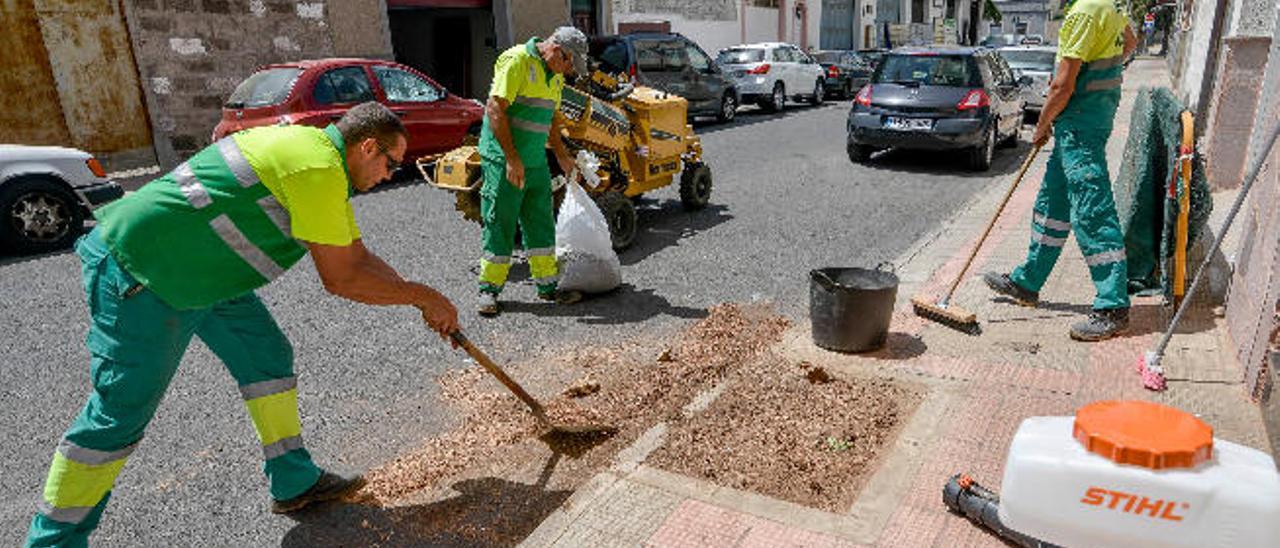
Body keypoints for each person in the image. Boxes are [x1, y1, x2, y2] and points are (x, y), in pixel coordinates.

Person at [26, 102, 459, 546]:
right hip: (144, 270)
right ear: (367, 147)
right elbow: (342, 278)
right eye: (390, 163)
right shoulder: (316, 167)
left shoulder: (316, 154)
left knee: (265, 356)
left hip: (200, 272)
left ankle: (293, 480)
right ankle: (51, 541)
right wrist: (425, 296)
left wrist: (419, 299)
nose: (390, 174)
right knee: (117, 416)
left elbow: (356, 255)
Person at [983, 0, 1137, 341]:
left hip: (1080, 125)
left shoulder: (1083, 13)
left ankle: (1113, 305)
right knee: (1053, 205)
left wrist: (1041, 124)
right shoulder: (1109, 7)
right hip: (1087, 119)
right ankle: (1027, 282)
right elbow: (1130, 43)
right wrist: (1101, 76)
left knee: (1092, 210)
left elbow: (1061, 86)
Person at [474, 26, 589, 316]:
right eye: (568, 63)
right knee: (501, 221)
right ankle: (489, 290)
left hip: (535, 158)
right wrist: (511, 159)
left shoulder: (555, 78)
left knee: (540, 221)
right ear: (556, 50)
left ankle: (547, 286)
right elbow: (495, 109)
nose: (567, 71)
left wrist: (562, 155)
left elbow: (550, 119)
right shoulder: (517, 61)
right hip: (504, 159)